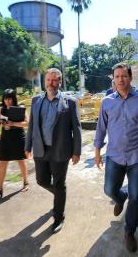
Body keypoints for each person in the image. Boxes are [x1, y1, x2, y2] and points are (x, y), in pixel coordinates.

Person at [94, 63, 138, 253]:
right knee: (109, 189)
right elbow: (101, 128)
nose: (120, 80)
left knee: (137, 196)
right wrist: (97, 152)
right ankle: (120, 198)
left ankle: (130, 231)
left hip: (137, 157)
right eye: (117, 76)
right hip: (114, 155)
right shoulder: (107, 102)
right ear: (113, 79)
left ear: (130, 78)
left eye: (124, 76)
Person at [25, 68, 82, 234]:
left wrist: (76, 151)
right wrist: (27, 146)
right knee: (41, 181)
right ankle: (59, 195)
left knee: (59, 184)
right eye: (48, 80)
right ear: (45, 82)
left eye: (54, 80)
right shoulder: (36, 100)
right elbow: (31, 127)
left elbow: (76, 128)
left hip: (61, 150)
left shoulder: (70, 102)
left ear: (60, 82)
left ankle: (58, 217)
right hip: (40, 149)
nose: (51, 83)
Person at [0, 89, 29, 201]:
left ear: (14, 98)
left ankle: (26, 182)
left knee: (21, 160)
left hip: (18, 138)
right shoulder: (2, 109)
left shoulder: (20, 108)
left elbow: (27, 122)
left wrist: (13, 124)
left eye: (10, 98)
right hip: (5, 139)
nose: (7, 101)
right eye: (5, 99)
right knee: (2, 162)